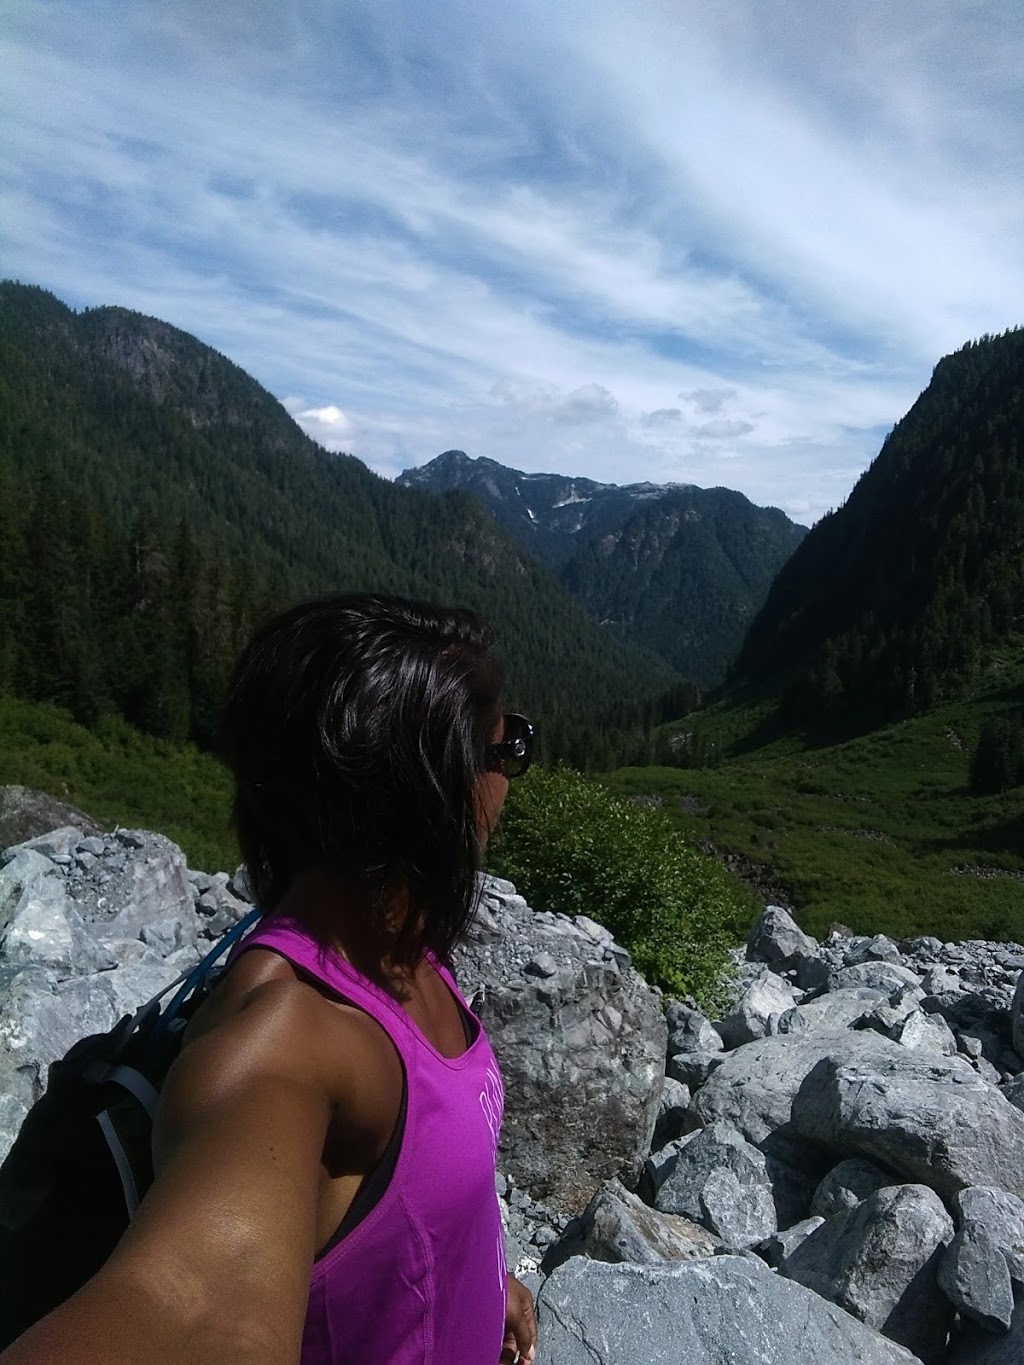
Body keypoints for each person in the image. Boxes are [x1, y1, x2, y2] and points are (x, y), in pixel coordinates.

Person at [1, 593, 538, 1365]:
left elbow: (415, 1184)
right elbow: (186, 1305)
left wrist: (482, 1278)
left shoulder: (394, 941)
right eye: (507, 747)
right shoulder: (289, 1034)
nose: (512, 779)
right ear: (437, 790)